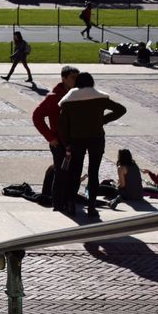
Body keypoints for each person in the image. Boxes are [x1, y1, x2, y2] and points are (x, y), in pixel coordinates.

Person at [57, 72, 127, 217]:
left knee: (75, 172)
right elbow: (121, 109)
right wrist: (103, 120)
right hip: (96, 138)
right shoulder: (99, 98)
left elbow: (62, 125)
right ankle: (91, 206)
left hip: (77, 139)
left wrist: (66, 142)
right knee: (94, 173)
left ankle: (71, 203)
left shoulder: (70, 100)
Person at [31, 65, 80, 199]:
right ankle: (57, 202)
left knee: (74, 173)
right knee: (61, 173)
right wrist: (50, 137)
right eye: (73, 77)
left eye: (77, 77)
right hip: (59, 143)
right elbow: (37, 116)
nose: (76, 80)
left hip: (75, 141)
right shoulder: (54, 97)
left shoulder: (78, 94)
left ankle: (69, 199)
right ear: (64, 79)